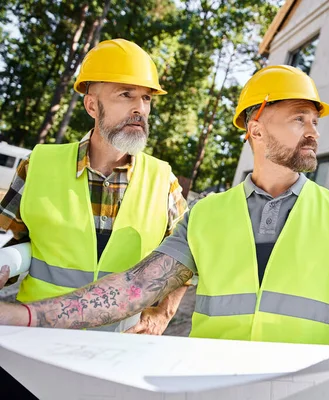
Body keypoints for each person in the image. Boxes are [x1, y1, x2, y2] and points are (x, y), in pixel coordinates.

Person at [0, 65, 329, 381]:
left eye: (315, 121)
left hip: (300, 390)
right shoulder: (205, 215)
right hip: (212, 386)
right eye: (299, 118)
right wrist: (23, 316)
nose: (315, 132)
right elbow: (132, 290)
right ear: (257, 127)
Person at [0, 39, 189, 335]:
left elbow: (185, 261)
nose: (139, 108)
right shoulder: (39, 165)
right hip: (35, 336)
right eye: (126, 95)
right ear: (91, 105)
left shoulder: (163, 180)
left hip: (118, 348)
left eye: (146, 98)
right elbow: (9, 239)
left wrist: (161, 315)